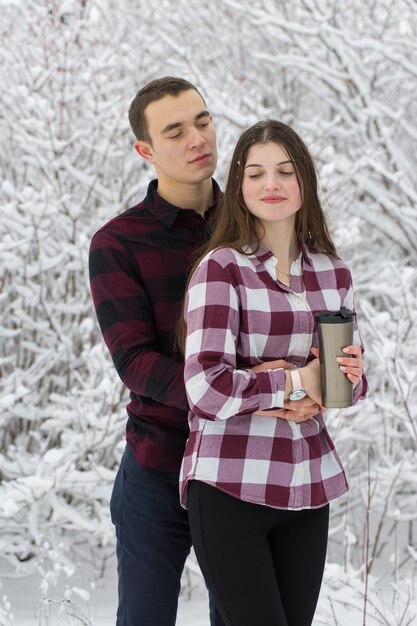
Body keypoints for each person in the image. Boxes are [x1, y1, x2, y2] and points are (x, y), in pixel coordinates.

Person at [88, 80, 318, 626]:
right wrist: (240, 394)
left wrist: (314, 385)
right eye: (175, 131)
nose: (198, 138)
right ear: (145, 150)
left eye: (203, 120)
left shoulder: (258, 219)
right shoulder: (119, 243)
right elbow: (135, 361)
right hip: (159, 466)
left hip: (243, 463)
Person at [179, 120, 368, 626]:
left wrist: (337, 382)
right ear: (239, 188)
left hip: (308, 484)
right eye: (256, 173)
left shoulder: (334, 273)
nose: (272, 185)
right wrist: (292, 381)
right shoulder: (221, 268)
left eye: (285, 171)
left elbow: (349, 378)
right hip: (229, 484)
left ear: (303, 180)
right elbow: (204, 387)